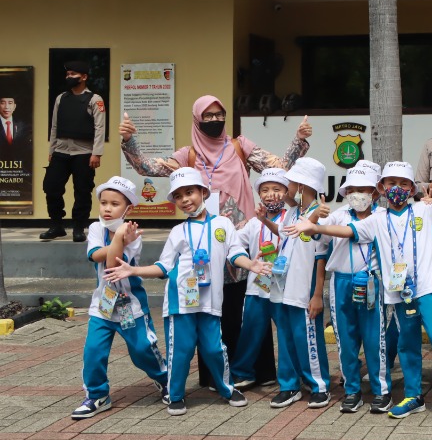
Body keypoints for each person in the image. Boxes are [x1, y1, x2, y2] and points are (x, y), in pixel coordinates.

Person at [121, 96, 312, 390]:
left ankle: (257, 372)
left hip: (242, 237)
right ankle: (216, 375)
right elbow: (149, 168)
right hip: (203, 243)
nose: (214, 121)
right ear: (197, 120)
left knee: (246, 304)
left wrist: (298, 141)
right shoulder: (188, 156)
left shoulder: (239, 146)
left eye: (219, 115)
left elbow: (280, 165)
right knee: (211, 305)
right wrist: (130, 141)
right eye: (207, 116)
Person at [285, 158, 432, 420]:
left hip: (426, 288)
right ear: (381, 188)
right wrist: (314, 226)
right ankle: (414, 395)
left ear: (412, 189)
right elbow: (347, 230)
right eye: (392, 183)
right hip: (399, 292)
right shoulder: (377, 219)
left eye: (404, 184)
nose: (398, 188)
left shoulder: (425, 211)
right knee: (407, 342)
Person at [105, 168, 263, 415]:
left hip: (211, 301)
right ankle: (175, 394)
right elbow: (164, 266)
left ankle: (227, 388)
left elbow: (235, 253)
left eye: (190, 192)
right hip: (181, 301)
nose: (185, 199)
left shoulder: (223, 224)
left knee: (214, 348)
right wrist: (133, 271)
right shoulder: (178, 231)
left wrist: (251, 264)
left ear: (203, 192)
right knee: (181, 349)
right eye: (178, 196)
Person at [73, 176, 168, 419]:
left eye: (114, 204)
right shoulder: (96, 228)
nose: (107, 208)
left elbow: (114, 261)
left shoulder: (134, 233)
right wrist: (118, 239)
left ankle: (165, 379)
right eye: (103, 202)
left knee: (142, 349)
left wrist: (120, 239)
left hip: (130, 305)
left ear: (128, 208)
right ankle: (97, 395)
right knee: (93, 351)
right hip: (102, 305)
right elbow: (97, 257)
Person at [323, 165, 396, 414]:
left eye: (363, 190)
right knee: (346, 339)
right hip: (341, 282)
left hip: (371, 282)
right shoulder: (339, 214)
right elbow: (318, 233)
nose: (357, 195)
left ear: (374, 192)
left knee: (375, 339)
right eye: (352, 190)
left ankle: (381, 391)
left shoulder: (384, 216)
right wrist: (315, 216)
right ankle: (352, 390)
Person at [268, 157, 331, 409]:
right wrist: (264, 219)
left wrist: (317, 295)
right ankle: (289, 385)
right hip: (283, 288)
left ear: (303, 185)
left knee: (308, 339)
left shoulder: (322, 217)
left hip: (305, 292)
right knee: (285, 338)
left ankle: (319, 385)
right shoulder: (294, 212)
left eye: (291, 182)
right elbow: (283, 234)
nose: (287, 187)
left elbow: (320, 260)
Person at [229, 170, 288, 392]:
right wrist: (244, 261)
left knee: (287, 333)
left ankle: (292, 375)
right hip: (257, 288)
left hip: (284, 289)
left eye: (276, 189)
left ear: (286, 192)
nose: (271, 195)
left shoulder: (291, 218)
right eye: (265, 190)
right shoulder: (253, 224)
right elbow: (233, 245)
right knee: (251, 332)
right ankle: (242, 373)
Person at [41, 61, 106, 242]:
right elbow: (54, 126)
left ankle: (79, 228)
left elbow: (100, 128)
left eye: (73, 74)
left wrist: (97, 153)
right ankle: (56, 226)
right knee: (51, 187)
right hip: (61, 151)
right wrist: (51, 149)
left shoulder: (95, 99)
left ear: (84, 77)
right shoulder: (61, 98)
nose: (69, 77)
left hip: (84, 152)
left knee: (82, 191)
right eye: (67, 74)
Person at [0, 94, 30, 159]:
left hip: (19, 166)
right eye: (3, 103)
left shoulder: (23, 126)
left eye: (10, 103)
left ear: (14, 106)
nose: (6, 107)